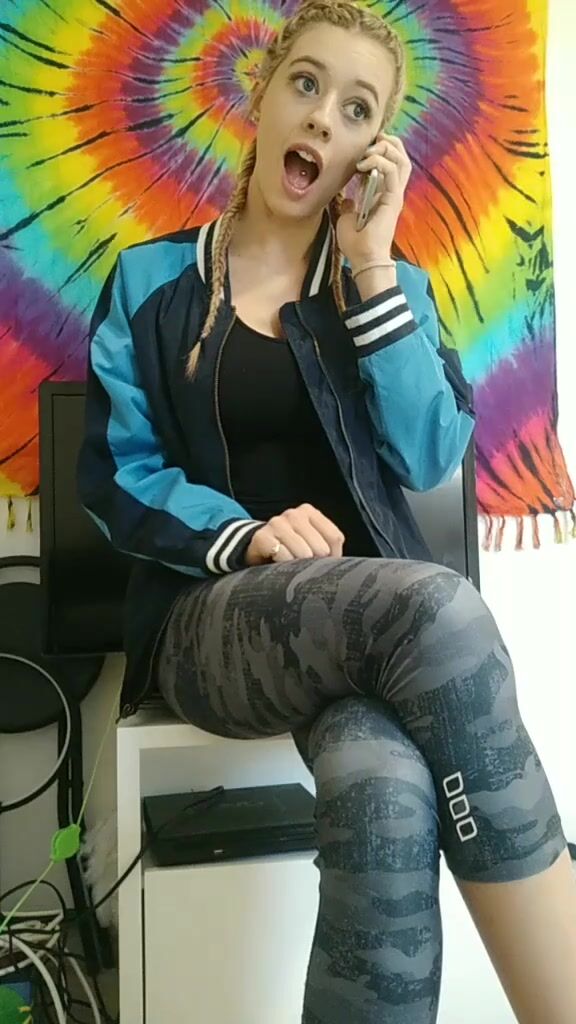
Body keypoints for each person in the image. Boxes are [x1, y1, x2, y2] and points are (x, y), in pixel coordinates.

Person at [77, 2, 576, 1021]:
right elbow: (116, 474)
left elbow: (432, 453)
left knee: (385, 788)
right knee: (440, 609)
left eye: (357, 109)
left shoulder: (388, 286)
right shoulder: (149, 281)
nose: (321, 117)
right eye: (305, 84)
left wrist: (372, 267)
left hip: (362, 635)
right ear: (262, 97)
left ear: (369, 152)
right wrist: (245, 534)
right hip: (209, 619)